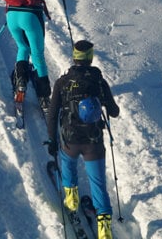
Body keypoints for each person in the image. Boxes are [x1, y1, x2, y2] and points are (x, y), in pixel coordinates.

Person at [46, 40, 120, 239]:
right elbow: (114, 112)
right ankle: (104, 229)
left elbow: (52, 115)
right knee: (98, 184)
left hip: (70, 141)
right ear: (90, 57)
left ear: (74, 57)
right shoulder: (99, 81)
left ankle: (71, 202)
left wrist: (52, 141)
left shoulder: (62, 82)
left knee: (68, 165)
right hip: (94, 143)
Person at [7, 0, 65, 107]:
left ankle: (21, 85)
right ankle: (44, 97)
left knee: (22, 47)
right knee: (38, 54)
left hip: (11, 14)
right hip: (31, 15)